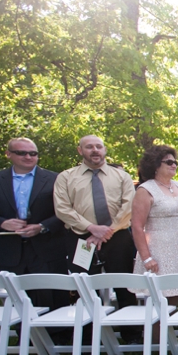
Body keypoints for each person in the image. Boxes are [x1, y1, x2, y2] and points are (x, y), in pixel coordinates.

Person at [54, 135, 137, 339]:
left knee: (125, 286)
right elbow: (62, 208)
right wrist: (91, 228)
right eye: (89, 147)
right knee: (84, 288)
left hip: (118, 238)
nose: (95, 150)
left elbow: (129, 206)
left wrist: (106, 231)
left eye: (98, 146)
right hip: (80, 238)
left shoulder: (121, 177)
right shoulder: (66, 177)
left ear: (105, 150)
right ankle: (89, 336)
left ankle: (132, 333)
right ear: (80, 150)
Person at [0, 137, 68, 314]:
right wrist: (1, 223)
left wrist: (42, 226)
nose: (28, 157)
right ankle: (25, 339)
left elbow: (66, 211)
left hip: (47, 248)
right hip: (10, 249)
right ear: (8, 154)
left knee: (52, 298)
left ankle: (58, 337)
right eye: (21, 153)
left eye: (33, 153)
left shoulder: (56, 179)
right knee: (18, 301)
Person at [131, 146, 178, 340]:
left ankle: (160, 331)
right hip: (159, 248)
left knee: (176, 291)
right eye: (169, 162)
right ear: (155, 165)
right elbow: (137, 226)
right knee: (160, 294)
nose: (174, 165)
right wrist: (146, 257)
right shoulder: (146, 189)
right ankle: (155, 334)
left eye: (175, 162)